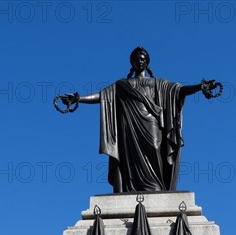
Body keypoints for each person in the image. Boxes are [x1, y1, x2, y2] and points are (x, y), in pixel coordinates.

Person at [62, 47, 219, 192]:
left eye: (142, 59)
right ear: (132, 62)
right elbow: (103, 96)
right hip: (128, 126)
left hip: (151, 122)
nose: (140, 61)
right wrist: (78, 98)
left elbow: (179, 90)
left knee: (155, 148)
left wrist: (199, 87)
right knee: (129, 159)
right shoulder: (122, 85)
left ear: (147, 62)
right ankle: (131, 189)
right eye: (137, 59)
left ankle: (157, 187)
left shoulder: (157, 83)